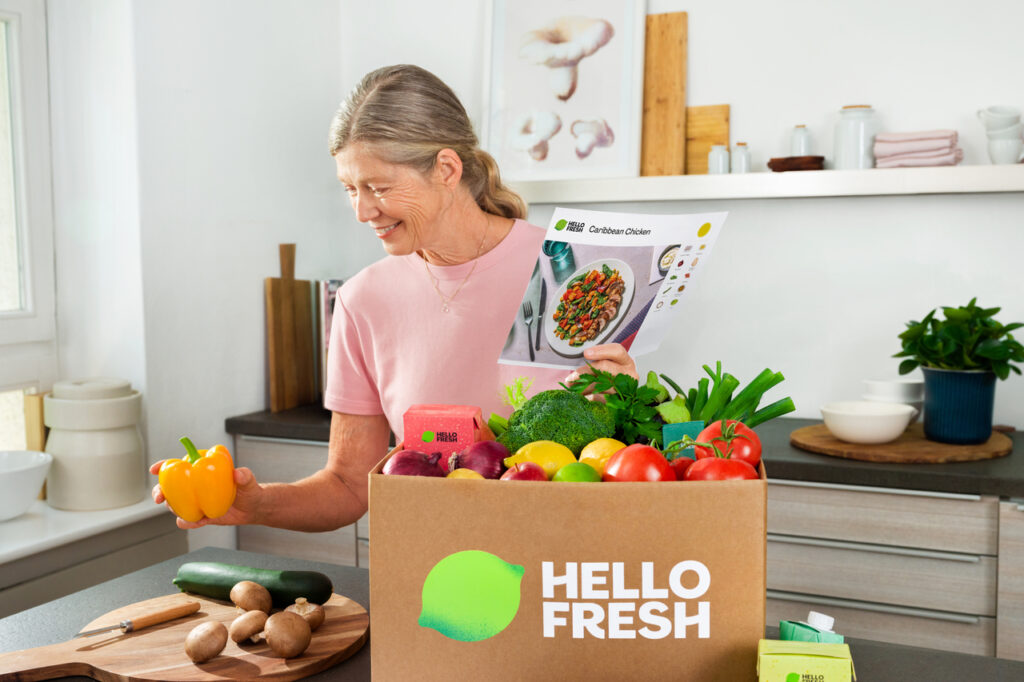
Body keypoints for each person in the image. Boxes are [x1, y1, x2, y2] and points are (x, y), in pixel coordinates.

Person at [150, 64, 637, 531]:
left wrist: (628, 398)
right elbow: (347, 486)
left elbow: (613, 465)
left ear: (447, 168)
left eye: (377, 187)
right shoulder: (364, 300)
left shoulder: (570, 270)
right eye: (349, 189)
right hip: (429, 570)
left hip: (562, 563)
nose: (362, 211)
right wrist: (255, 505)